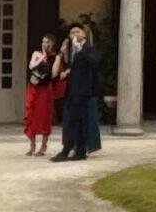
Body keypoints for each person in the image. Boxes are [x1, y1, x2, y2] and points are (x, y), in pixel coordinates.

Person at [55, 16, 104, 161]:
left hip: (85, 91)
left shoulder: (89, 48)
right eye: (71, 33)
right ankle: (75, 149)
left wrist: (80, 50)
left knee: (80, 121)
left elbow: (95, 63)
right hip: (73, 90)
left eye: (77, 32)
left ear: (84, 34)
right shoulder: (71, 50)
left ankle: (73, 150)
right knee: (73, 121)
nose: (74, 35)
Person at [21, 31, 63, 161]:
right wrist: (42, 57)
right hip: (33, 87)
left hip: (45, 89)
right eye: (43, 41)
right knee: (31, 113)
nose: (44, 44)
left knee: (44, 115)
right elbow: (31, 66)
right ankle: (32, 145)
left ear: (52, 44)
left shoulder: (55, 57)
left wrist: (56, 59)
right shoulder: (36, 53)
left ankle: (43, 145)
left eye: (47, 42)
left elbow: (54, 74)